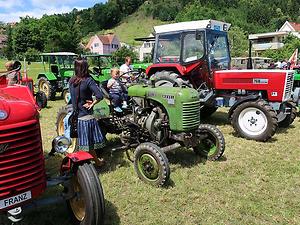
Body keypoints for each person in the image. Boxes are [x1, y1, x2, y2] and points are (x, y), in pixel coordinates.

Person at [69, 58, 105, 167]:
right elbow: (100, 96)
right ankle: (96, 163)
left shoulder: (71, 80)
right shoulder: (88, 80)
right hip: (86, 117)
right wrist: (92, 103)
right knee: (89, 145)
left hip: (76, 116)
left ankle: (94, 161)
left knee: (83, 144)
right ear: (85, 68)